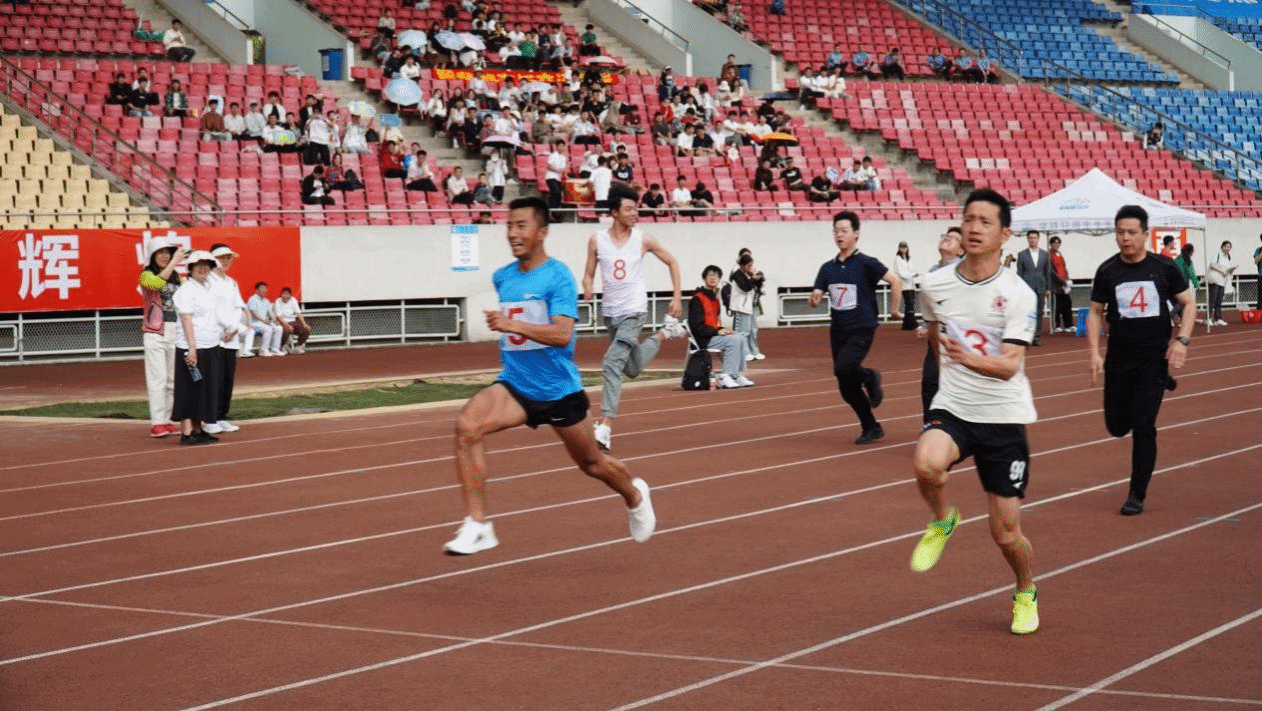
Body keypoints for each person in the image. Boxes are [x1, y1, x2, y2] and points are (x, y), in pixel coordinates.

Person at [443, 196, 656, 555]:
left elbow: (562, 334)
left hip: (559, 390)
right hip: (516, 385)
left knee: (592, 463)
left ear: (541, 232)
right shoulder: (503, 277)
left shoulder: (559, 276)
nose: (512, 233)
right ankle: (478, 525)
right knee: (467, 428)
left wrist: (511, 324)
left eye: (521, 226)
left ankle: (634, 496)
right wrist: (510, 326)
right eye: (509, 226)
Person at [910, 188, 1041, 636]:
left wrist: (964, 358)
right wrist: (948, 376)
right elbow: (934, 329)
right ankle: (942, 519)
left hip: (1003, 417)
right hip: (955, 407)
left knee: (1005, 534)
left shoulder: (1018, 294)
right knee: (926, 464)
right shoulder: (935, 284)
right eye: (968, 219)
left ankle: (1025, 590)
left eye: (985, 222)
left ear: (1004, 235)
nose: (974, 228)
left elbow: (1009, 366)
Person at [1088, 205, 1195, 516]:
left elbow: (1189, 303)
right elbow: (1095, 312)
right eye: (1120, 232)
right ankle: (1161, 382)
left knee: (1143, 426)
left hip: (1152, 358)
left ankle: (1137, 493)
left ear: (1146, 235)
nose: (1125, 238)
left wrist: (1182, 341)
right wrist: (1094, 352)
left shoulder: (1164, 267)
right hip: (1119, 359)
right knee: (1117, 426)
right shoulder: (1107, 270)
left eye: (1132, 232)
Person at [581, 186, 685, 451]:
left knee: (612, 362)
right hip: (610, 314)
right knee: (632, 368)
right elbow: (588, 273)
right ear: (614, 212)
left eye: (635, 208)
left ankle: (605, 427)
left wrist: (676, 297)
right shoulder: (596, 240)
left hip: (635, 311)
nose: (634, 213)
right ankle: (665, 333)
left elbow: (673, 262)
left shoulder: (643, 239)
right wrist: (588, 287)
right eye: (628, 209)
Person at [808, 211, 901, 444]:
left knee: (844, 367)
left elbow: (895, 281)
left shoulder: (866, 263)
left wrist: (894, 310)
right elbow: (818, 291)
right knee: (846, 387)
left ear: (856, 234)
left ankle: (870, 377)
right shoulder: (827, 268)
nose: (839, 235)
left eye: (844, 231)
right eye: (836, 231)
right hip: (838, 329)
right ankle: (872, 427)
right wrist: (815, 298)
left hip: (862, 326)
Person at [172, 251, 233, 446]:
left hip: (210, 345)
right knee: (188, 389)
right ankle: (187, 432)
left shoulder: (208, 288)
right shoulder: (185, 290)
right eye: (199, 265)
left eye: (207, 265)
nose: (203, 269)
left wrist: (229, 329)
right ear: (190, 268)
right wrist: (192, 348)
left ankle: (198, 429)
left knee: (204, 389)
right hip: (192, 346)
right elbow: (186, 319)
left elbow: (215, 314)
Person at [140, 240, 187, 439]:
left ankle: (167, 420)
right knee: (157, 378)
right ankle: (157, 422)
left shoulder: (178, 278)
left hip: (175, 330)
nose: (165, 256)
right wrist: (174, 263)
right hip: (155, 331)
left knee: (171, 380)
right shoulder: (146, 275)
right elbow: (157, 285)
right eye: (160, 253)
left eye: (168, 253)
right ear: (152, 256)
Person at [919, 226, 965, 416]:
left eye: (953, 238)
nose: (947, 238)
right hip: (936, 337)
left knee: (958, 385)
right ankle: (931, 423)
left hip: (957, 338)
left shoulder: (964, 272)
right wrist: (925, 325)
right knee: (930, 382)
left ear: (961, 250)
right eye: (945, 235)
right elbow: (930, 304)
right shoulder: (933, 271)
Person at [689, 265, 754, 388]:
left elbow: (713, 323)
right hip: (702, 340)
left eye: (716, 276)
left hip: (712, 335)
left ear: (719, 279)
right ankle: (726, 376)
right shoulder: (697, 299)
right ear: (704, 278)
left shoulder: (715, 300)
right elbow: (697, 327)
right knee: (733, 340)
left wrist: (722, 329)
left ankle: (737, 375)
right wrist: (717, 332)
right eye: (710, 275)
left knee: (739, 336)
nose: (713, 278)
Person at [206, 244, 246, 436]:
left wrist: (234, 327)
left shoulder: (232, 282)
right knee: (214, 378)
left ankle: (222, 416)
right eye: (221, 257)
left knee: (227, 378)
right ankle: (210, 418)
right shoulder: (207, 280)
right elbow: (211, 307)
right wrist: (227, 326)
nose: (225, 261)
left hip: (231, 338)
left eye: (228, 258)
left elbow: (239, 306)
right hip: (214, 336)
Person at [1016, 229, 1051, 346]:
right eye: (1030, 238)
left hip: (1040, 287)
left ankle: (1036, 336)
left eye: (1034, 238)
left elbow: (1047, 272)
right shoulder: (1022, 254)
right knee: (1027, 312)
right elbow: (1019, 273)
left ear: (1038, 239)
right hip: (1027, 287)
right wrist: (1020, 288)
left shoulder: (1045, 254)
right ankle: (1027, 335)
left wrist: (1048, 288)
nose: (1032, 240)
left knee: (1039, 312)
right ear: (1027, 239)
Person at [729, 250, 765, 361]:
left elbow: (757, 286)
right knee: (742, 331)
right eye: (749, 265)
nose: (751, 267)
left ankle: (754, 351)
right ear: (743, 265)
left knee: (753, 330)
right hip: (741, 307)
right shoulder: (736, 275)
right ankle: (743, 352)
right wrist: (753, 279)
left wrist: (759, 278)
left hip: (750, 306)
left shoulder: (748, 274)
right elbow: (746, 287)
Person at [244, 281, 285, 357]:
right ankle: (264, 350)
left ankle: (275, 350)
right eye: (262, 288)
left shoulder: (266, 300)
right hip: (255, 323)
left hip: (265, 322)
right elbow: (253, 313)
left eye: (266, 288)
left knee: (279, 328)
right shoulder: (252, 299)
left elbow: (271, 312)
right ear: (257, 290)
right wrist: (263, 321)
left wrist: (275, 321)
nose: (265, 290)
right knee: (268, 328)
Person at [273, 286, 311, 354]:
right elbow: (279, 317)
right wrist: (287, 325)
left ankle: (299, 346)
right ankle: (283, 346)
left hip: (293, 321)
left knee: (307, 329)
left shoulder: (293, 300)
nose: (285, 296)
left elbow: (299, 313)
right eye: (284, 294)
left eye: (287, 294)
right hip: (283, 322)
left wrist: (304, 324)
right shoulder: (277, 301)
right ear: (281, 294)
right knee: (285, 330)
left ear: (290, 295)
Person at [1048, 235, 1074, 333]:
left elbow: (1063, 268)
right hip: (1056, 286)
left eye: (1058, 243)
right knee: (1056, 306)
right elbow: (1051, 272)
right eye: (1054, 243)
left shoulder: (1059, 254)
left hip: (1064, 284)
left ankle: (1068, 324)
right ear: (1051, 244)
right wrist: (1062, 282)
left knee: (1067, 304)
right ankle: (1056, 325)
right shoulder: (1049, 256)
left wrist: (1067, 279)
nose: (1056, 245)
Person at [894, 241, 918, 330]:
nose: (904, 249)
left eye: (905, 247)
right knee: (909, 303)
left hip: (911, 284)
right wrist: (911, 275)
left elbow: (910, 270)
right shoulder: (898, 259)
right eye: (902, 248)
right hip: (904, 285)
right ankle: (911, 323)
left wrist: (914, 274)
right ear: (899, 249)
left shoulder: (908, 258)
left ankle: (907, 324)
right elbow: (900, 273)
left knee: (911, 304)